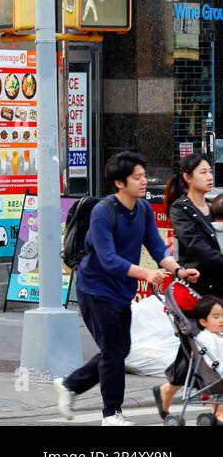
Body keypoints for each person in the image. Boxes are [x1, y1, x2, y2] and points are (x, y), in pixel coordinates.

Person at [54, 151, 199, 426]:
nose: (145, 181)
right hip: (96, 289)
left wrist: (177, 270)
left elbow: (156, 246)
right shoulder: (103, 212)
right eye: (138, 177)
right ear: (120, 183)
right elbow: (108, 260)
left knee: (120, 349)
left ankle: (70, 385)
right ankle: (111, 414)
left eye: (145, 175)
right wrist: (147, 274)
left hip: (121, 290)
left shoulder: (142, 209)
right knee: (113, 352)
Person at [155, 295, 223, 422]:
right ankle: (219, 413)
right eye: (216, 317)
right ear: (203, 322)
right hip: (215, 374)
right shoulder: (207, 338)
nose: (221, 320)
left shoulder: (220, 335)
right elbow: (211, 361)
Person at [166, 152, 223, 297]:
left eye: (210, 171)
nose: (210, 177)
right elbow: (195, 243)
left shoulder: (213, 206)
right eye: (203, 172)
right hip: (196, 285)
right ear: (187, 177)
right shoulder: (179, 209)